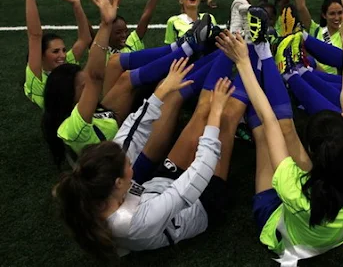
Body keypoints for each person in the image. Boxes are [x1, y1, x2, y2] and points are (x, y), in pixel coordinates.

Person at [215, 5, 343, 266]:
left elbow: (271, 121)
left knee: (265, 137)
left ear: (310, 153)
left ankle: (261, 51)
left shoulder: (294, 191)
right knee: (277, 129)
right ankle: (264, 49)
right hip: (332, 235)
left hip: (281, 232)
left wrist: (243, 63)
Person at [52, 76, 235, 261]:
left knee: (204, 108)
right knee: (227, 113)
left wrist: (161, 92)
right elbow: (201, 170)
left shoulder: (96, 192)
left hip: (161, 185)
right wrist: (217, 113)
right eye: (129, 165)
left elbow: (130, 134)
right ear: (118, 183)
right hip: (199, 206)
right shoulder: (134, 222)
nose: (131, 163)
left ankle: (238, 52)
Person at [42, 0, 215, 166]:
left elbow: (92, 75)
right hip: (124, 155)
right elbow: (94, 76)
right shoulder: (73, 128)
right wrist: (105, 23)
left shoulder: (78, 116)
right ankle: (218, 54)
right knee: (169, 90)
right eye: (82, 86)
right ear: (69, 97)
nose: (89, 87)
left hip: (109, 127)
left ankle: (185, 47)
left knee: (118, 66)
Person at [10, 0, 91, 109]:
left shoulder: (65, 66)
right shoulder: (36, 79)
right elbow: (35, 35)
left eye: (63, 50)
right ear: (41, 56)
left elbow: (84, 39)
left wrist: (76, 4)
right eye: (55, 51)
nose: (62, 55)